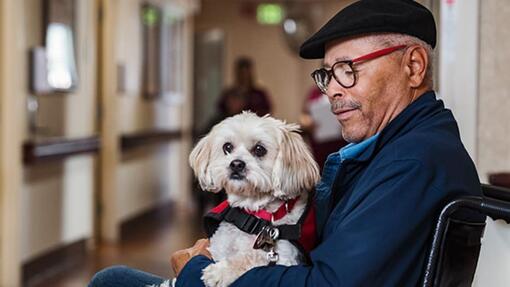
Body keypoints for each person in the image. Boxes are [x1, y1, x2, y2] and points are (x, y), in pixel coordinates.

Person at [89, 0, 482, 286]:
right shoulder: (399, 148)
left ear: (413, 66)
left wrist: (196, 271)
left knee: (112, 281)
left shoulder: (413, 162)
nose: (332, 92)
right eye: (327, 75)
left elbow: (328, 285)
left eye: (348, 70)